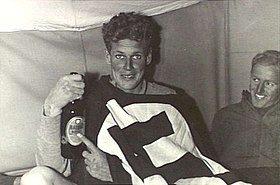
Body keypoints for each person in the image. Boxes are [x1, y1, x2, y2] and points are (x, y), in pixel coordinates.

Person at [20, 12, 249, 185]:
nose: (127, 67)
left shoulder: (175, 101)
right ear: (108, 57)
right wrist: (51, 108)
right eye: (120, 56)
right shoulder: (89, 99)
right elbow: (55, 168)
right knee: (37, 177)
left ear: (148, 57)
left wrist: (119, 174)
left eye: (136, 56)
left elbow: (199, 169)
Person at [211, 50, 280, 185]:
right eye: (256, 80)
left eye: (269, 84)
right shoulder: (226, 116)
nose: (259, 90)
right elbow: (210, 164)